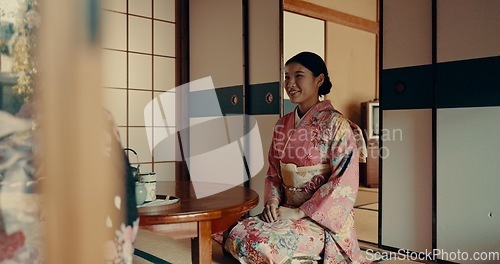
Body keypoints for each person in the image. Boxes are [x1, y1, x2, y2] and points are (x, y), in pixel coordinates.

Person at [224, 51, 370, 263]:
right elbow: (274, 172)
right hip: (286, 210)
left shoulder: (337, 124)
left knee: (260, 244)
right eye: (286, 77)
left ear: (319, 79)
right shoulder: (283, 124)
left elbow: (344, 181)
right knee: (234, 233)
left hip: (320, 218)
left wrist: (300, 213)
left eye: (298, 75)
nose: (290, 83)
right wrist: (273, 203)